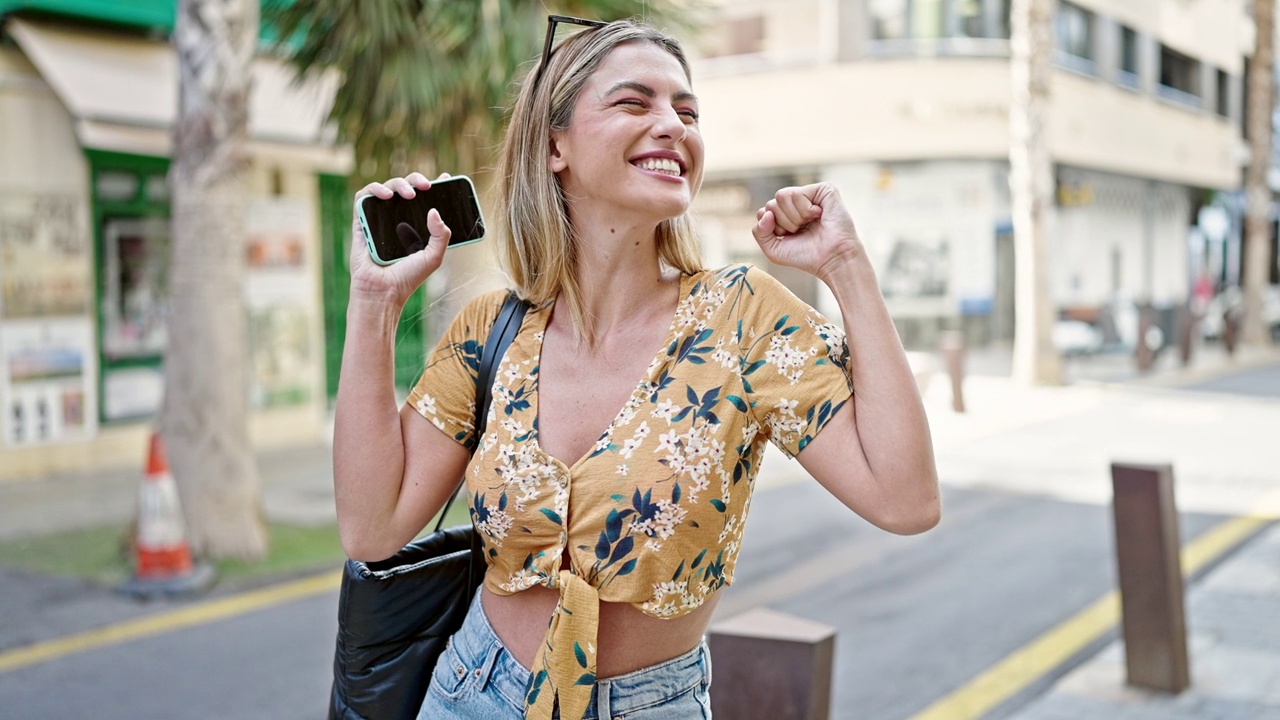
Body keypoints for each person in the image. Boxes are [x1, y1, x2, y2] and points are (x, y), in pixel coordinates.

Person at [334, 17, 940, 720]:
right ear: (554, 145)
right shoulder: (490, 331)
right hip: (471, 691)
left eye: (687, 111)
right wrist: (374, 302)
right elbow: (372, 527)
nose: (673, 125)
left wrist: (845, 265)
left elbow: (907, 501)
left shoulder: (741, 318)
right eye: (635, 102)